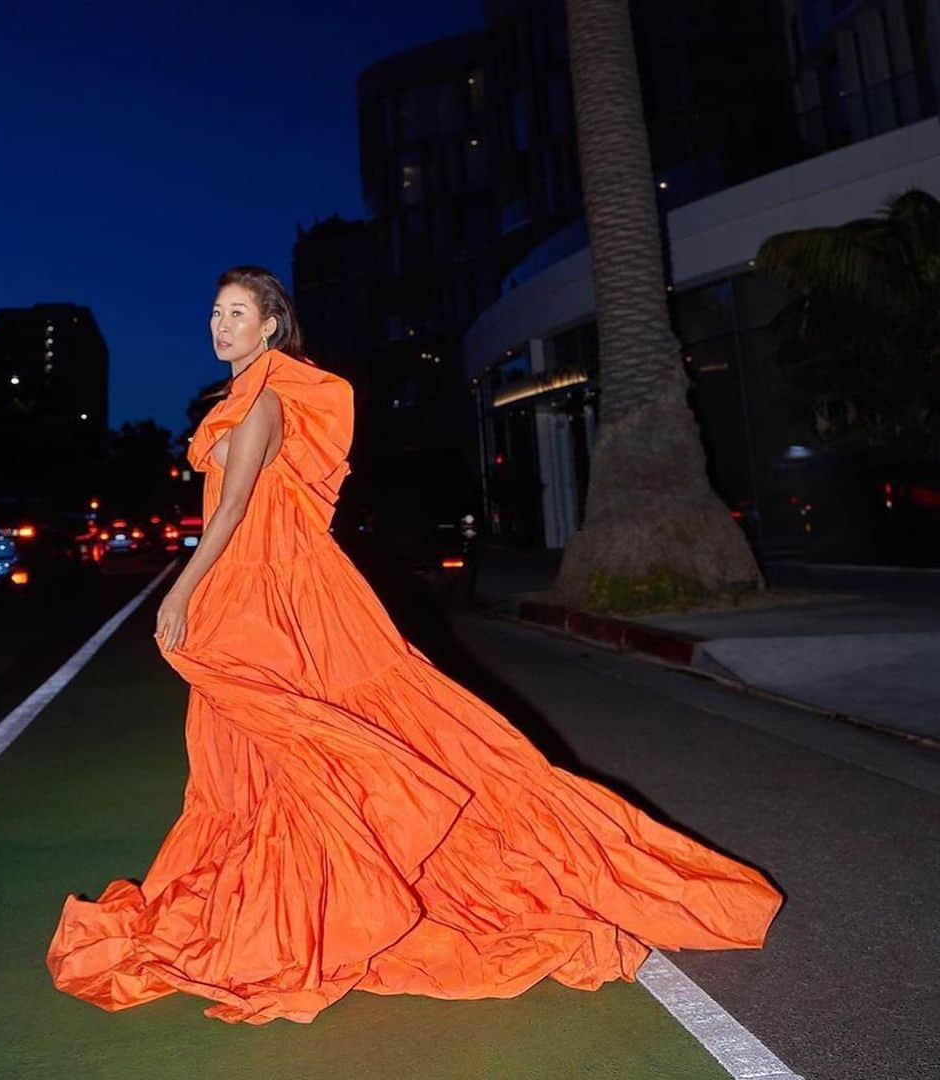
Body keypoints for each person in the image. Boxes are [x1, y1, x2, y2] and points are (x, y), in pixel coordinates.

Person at [46, 266, 782, 1025]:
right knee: (264, 750)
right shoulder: (240, 400)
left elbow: (232, 510)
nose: (220, 324)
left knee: (310, 738)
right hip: (258, 591)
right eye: (214, 312)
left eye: (238, 313)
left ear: (271, 326)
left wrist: (180, 588)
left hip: (270, 590)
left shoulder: (265, 398)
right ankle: (298, 893)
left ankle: (328, 902)